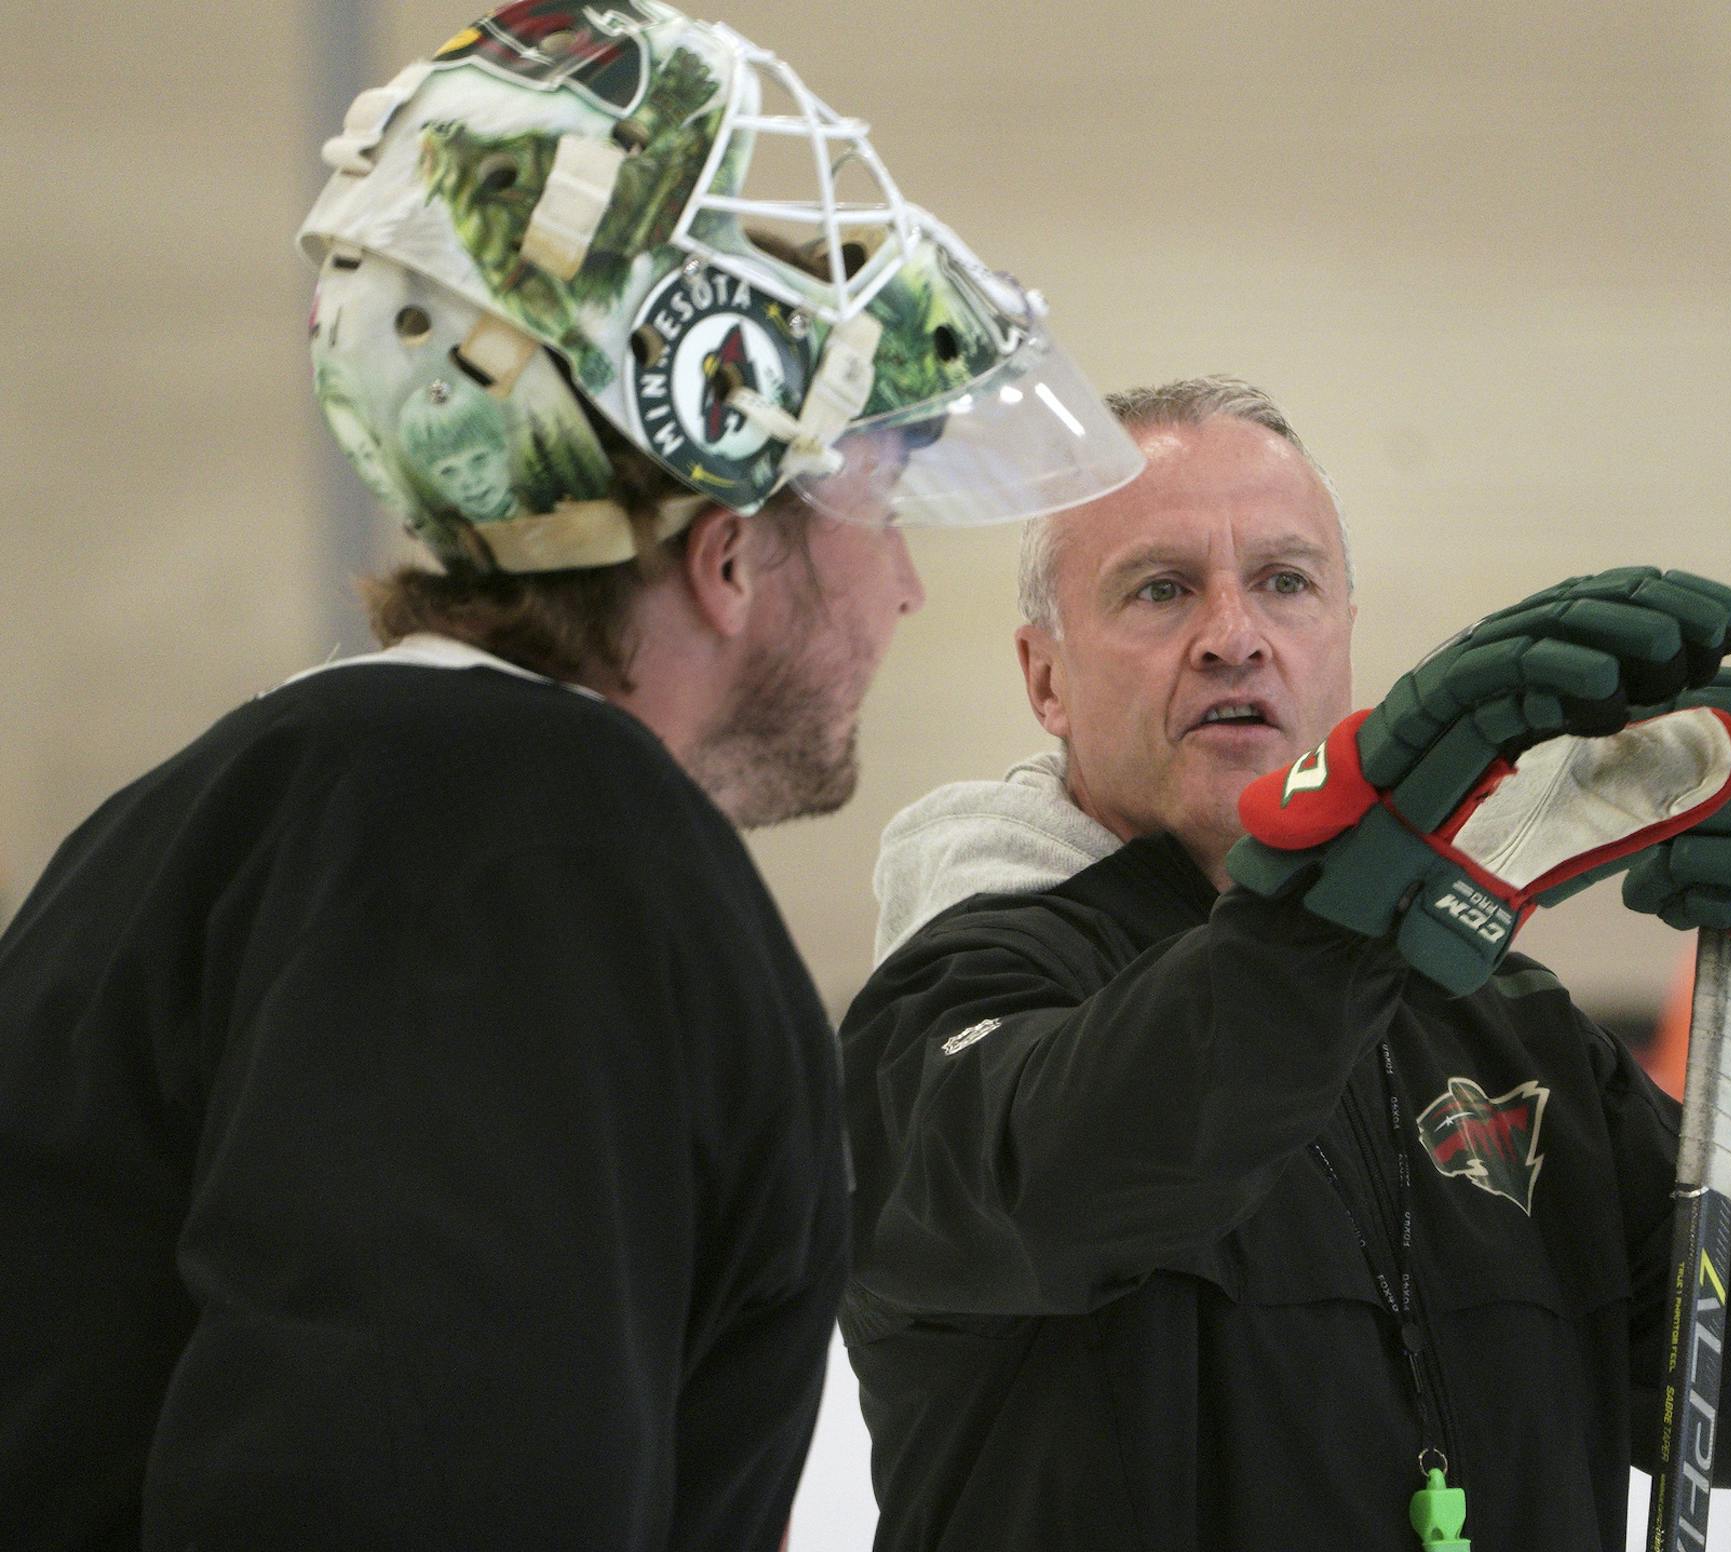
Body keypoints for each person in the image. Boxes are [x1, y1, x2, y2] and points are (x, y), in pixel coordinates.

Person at [0, 5, 1138, 1548]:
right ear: (731, 553)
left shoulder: (243, 810)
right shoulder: (521, 841)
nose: (905, 593)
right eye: (878, 495)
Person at [839, 376, 1731, 1550]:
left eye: (1286, 583)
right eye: (1161, 590)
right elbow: (1085, 1167)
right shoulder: (956, 1003)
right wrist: (1359, 904)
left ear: (1344, 637)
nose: (1234, 636)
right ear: (1044, 676)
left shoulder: (1501, 1024)